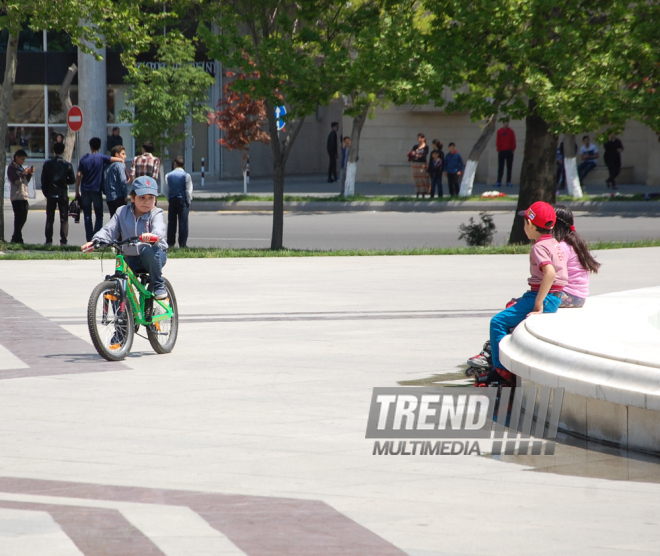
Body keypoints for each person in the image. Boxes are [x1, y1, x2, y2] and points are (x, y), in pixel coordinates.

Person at [476, 202, 568, 387]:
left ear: (532, 225)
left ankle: (502, 371)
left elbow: (549, 273)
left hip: (544, 297)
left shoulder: (539, 248)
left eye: (525, 222)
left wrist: (538, 304)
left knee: (497, 322)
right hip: (554, 296)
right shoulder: (554, 243)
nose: (524, 226)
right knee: (511, 307)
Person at [82, 176, 168, 300]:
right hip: (131, 257)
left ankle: (158, 284)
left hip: (154, 257)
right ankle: (122, 316)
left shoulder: (156, 213)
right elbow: (109, 229)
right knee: (117, 284)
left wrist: (153, 236)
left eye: (151, 198)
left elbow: (159, 227)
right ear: (132, 198)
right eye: (142, 197)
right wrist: (96, 241)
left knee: (149, 251)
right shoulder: (122, 212)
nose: (147, 202)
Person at [75, 137, 123, 241]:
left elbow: (79, 175)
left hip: (85, 190)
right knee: (99, 214)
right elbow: (115, 159)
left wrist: (76, 191)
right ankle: (96, 238)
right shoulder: (101, 157)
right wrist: (121, 159)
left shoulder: (84, 158)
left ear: (90, 146)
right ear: (100, 146)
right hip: (96, 190)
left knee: (87, 215)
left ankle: (89, 238)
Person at [553, 205, 601, 308]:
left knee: (531, 300)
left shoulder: (562, 246)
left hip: (569, 295)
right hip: (578, 297)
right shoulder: (573, 242)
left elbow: (553, 273)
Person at [41, 142, 75, 245]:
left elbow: (43, 180)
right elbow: (72, 180)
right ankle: (63, 241)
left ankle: (48, 240)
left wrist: (46, 193)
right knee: (64, 218)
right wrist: (64, 182)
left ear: (53, 150)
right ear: (64, 150)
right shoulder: (67, 165)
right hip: (62, 193)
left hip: (51, 193)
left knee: (49, 218)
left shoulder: (47, 164)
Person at [164, 155, 193, 248]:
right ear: (184, 165)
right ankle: (182, 243)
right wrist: (188, 200)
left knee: (171, 222)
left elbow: (165, 190)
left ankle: (170, 243)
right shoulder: (186, 175)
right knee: (183, 222)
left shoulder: (168, 175)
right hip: (182, 200)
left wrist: (169, 198)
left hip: (172, 200)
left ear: (175, 164)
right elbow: (189, 190)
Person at [7, 149, 35, 244]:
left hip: (23, 195)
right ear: (17, 157)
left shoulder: (20, 167)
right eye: (22, 159)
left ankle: (16, 236)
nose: (23, 161)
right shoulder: (12, 168)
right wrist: (24, 173)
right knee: (18, 217)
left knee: (23, 217)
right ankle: (17, 238)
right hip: (16, 195)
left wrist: (29, 173)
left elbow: (25, 180)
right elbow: (15, 181)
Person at [104, 145, 129, 217]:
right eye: (123, 154)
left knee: (113, 220)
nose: (125, 156)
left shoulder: (107, 166)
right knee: (122, 220)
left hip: (109, 198)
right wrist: (125, 195)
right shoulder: (119, 165)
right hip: (119, 197)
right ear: (117, 155)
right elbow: (123, 181)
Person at [495, 120, 516, 187]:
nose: (506, 124)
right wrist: (499, 149)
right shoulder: (500, 131)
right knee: (501, 167)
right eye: (505, 122)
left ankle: (508, 181)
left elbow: (513, 140)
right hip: (502, 151)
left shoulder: (511, 131)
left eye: (507, 123)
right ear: (503, 123)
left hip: (509, 151)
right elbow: (498, 140)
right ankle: (499, 181)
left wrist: (513, 149)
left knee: (509, 167)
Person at [409, 133, 430, 198]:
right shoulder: (415, 146)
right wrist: (416, 156)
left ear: (424, 138)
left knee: (423, 178)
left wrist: (416, 155)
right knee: (417, 179)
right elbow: (412, 154)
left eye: (421, 138)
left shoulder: (426, 147)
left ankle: (424, 193)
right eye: (418, 138)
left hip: (422, 164)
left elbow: (423, 156)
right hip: (415, 164)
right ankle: (418, 192)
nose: (419, 139)